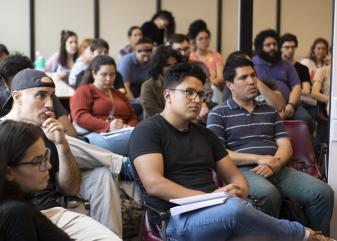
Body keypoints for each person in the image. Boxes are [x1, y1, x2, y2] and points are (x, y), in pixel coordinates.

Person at [129, 62, 334, 241]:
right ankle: (304, 235)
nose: (196, 99)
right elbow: (154, 184)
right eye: (189, 92)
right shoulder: (148, 130)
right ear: (168, 95)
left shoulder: (205, 135)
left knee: (249, 220)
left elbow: (238, 179)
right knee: (236, 210)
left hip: (216, 210)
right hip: (175, 220)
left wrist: (237, 190)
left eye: (201, 94)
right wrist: (208, 198)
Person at [207, 56, 334, 236]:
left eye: (253, 75)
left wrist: (275, 162)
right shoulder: (218, 113)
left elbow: (285, 145)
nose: (251, 81)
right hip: (242, 170)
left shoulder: (269, 110)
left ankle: (317, 238)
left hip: (276, 167)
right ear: (230, 85)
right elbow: (217, 153)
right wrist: (259, 159)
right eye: (243, 78)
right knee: (268, 194)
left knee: (323, 193)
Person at [3, 68, 122, 240]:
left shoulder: (49, 130)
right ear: (18, 97)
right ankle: (122, 164)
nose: (50, 104)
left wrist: (62, 144)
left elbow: (70, 188)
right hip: (13, 217)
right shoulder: (3, 132)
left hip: (52, 213)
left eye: (51, 96)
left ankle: (121, 164)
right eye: (41, 95)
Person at [0, 120, 72, 241]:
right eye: (37, 161)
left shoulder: (19, 202)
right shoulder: (16, 213)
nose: (48, 165)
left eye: (45, 156)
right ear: (9, 172)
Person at [71, 55, 138, 155]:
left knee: (142, 135)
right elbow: (80, 116)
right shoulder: (84, 90)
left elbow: (133, 117)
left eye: (112, 75)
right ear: (94, 73)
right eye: (104, 74)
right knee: (140, 139)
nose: (109, 79)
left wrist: (128, 126)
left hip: (124, 132)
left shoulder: (119, 94)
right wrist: (108, 126)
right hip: (97, 134)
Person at [0, 53, 77, 137]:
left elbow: (71, 132)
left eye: (28, 77)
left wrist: (56, 134)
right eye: (16, 81)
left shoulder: (46, 95)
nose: (49, 104)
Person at [252, 29, 313, 129]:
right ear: (260, 47)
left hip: (290, 105)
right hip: (261, 105)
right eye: (268, 45)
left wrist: (291, 104)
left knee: (306, 119)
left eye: (274, 44)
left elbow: (296, 86)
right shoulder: (253, 64)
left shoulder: (286, 65)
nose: (272, 47)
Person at [280, 33, 317, 119]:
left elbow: (306, 90)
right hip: (276, 100)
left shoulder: (302, 68)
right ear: (280, 48)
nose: (290, 50)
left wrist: (294, 92)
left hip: (297, 102)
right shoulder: (276, 67)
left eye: (293, 47)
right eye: (287, 47)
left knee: (306, 119)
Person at [188, 19, 225, 104]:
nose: (204, 41)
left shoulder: (216, 56)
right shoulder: (191, 57)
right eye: (200, 39)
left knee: (212, 88)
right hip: (194, 88)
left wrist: (207, 85)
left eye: (206, 38)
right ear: (195, 41)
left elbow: (220, 78)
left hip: (213, 87)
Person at [140, 45, 182, 118]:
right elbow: (153, 112)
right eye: (168, 65)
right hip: (158, 126)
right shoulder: (148, 86)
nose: (173, 68)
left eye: (175, 65)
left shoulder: (184, 82)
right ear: (159, 67)